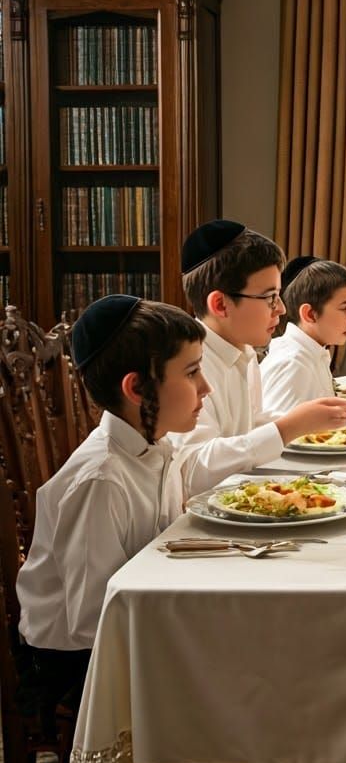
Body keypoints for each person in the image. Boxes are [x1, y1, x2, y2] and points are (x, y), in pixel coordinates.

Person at [16, 296, 211, 724]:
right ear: (137, 388)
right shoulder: (101, 481)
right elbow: (93, 620)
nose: (205, 388)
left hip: (128, 623)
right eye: (192, 372)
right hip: (74, 662)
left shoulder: (158, 445)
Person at [169, 219, 346, 479]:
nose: (281, 309)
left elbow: (247, 428)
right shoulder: (187, 365)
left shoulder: (244, 353)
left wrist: (304, 421)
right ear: (221, 304)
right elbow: (195, 468)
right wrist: (288, 426)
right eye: (269, 297)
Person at [260, 256, 346, 412]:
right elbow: (276, 432)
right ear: (310, 314)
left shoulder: (313, 354)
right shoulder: (292, 364)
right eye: (344, 308)